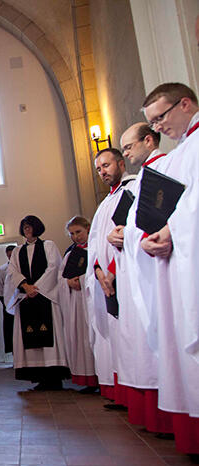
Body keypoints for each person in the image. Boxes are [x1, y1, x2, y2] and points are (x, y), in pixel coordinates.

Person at [140, 82, 199, 454]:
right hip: (177, 264)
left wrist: (169, 230)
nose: (157, 128)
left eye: (160, 117)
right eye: (152, 122)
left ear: (186, 103)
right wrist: (147, 236)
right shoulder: (180, 154)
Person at [110, 124, 172, 436]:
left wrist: (129, 236)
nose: (126, 155)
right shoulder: (145, 176)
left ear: (149, 140)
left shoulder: (163, 169)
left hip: (159, 267)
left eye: (127, 148)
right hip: (139, 267)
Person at [84, 148, 134, 406]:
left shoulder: (132, 191)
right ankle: (120, 391)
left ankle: (132, 392)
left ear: (121, 163)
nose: (102, 172)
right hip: (105, 280)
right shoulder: (105, 203)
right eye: (98, 169)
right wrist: (99, 271)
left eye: (106, 165)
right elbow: (94, 245)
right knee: (114, 337)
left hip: (123, 279)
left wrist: (111, 271)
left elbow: (127, 235)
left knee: (129, 336)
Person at [4, 215, 69, 390]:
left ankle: (54, 378)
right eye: (24, 227)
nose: (27, 230)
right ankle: (38, 377)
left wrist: (36, 288)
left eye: (29, 226)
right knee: (29, 338)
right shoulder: (17, 251)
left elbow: (54, 267)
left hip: (45, 298)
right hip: (27, 299)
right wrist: (25, 286)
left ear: (36, 227)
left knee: (50, 337)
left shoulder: (49, 246)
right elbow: (12, 271)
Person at [57, 216, 97, 393]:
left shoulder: (97, 247)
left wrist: (81, 279)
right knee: (81, 339)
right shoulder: (70, 253)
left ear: (88, 228)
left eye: (78, 232)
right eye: (72, 234)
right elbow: (59, 278)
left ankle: (103, 379)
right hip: (76, 303)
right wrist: (67, 283)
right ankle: (88, 380)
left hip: (94, 303)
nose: (76, 237)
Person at [0, 245, 16, 354]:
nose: (10, 258)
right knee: (11, 330)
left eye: (12, 255)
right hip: (8, 303)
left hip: (22, 302)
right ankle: (14, 355)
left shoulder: (23, 267)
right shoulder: (3, 269)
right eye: (8, 256)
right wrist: (6, 302)